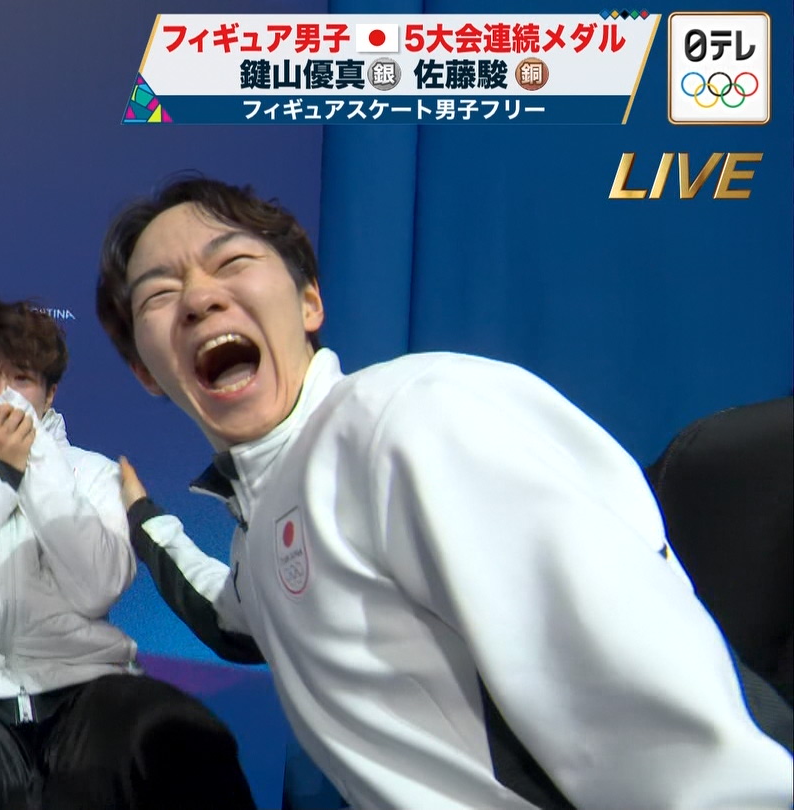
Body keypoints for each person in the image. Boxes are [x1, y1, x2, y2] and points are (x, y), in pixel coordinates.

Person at [94, 177, 794, 809]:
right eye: (159, 294)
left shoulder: (410, 420)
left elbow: (666, 734)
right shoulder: (260, 530)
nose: (200, 298)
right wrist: (144, 518)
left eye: (231, 262)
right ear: (146, 373)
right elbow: (231, 616)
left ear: (309, 302)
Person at [0, 300, 256, 810]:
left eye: (22, 378)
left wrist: (34, 466)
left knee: (172, 732)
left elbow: (98, 587)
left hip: (86, 689)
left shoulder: (93, 475)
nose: (3, 395)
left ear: (49, 393)